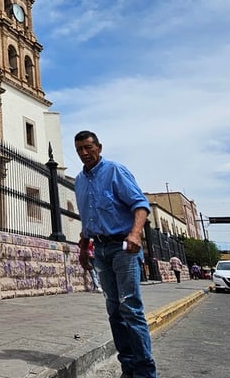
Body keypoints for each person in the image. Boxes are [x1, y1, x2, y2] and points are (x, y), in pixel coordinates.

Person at [74, 130, 158, 378]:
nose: (84, 153)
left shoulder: (115, 171)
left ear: (99, 147)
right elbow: (88, 218)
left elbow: (140, 205)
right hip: (99, 249)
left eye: (88, 147)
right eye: (79, 149)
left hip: (123, 246)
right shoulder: (79, 180)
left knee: (130, 307)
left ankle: (145, 372)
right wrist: (83, 247)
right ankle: (128, 367)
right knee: (114, 309)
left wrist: (135, 234)